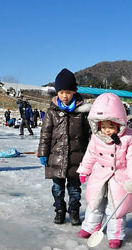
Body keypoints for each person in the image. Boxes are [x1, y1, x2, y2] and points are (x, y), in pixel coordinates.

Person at [77, 93, 132, 249]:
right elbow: (90, 154)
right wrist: (84, 170)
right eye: (103, 126)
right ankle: (90, 227)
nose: (107, 131)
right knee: (95, 203)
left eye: (111, 126)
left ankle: (115, 235)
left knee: (116, 208)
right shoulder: (96, 137)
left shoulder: (131, 137)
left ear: (119, 123)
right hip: (100, 174)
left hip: (120, 176)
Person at [37, 68, 91, 226]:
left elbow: (89, 135)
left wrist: (90, 156)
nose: (64, 96)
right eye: (61, 92)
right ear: (57, 93)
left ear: (74, 91)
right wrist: (43, 153)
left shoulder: (82, 112)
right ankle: (59, 210)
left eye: (68, 92)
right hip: (56, 157)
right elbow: (45, 134)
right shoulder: (52, 112)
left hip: (77, 157)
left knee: (74, 189)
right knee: (57, 189)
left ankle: (74, 211)